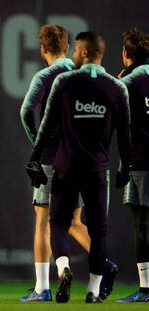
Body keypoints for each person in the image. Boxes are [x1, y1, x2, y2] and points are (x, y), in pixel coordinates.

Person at [27, 31, 131, 303]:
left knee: (58, 224)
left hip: (65, 166)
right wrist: (125, 167)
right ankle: (93, 292)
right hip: (97, 170)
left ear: (84, 52)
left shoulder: (64, 81)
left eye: (76, 52)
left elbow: (47, 123)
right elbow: (125, 134)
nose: (72, 56)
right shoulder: (116, 87)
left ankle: (63, 269)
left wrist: (35, 158)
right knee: (99, 230)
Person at [117, 27, 149, 303]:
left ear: (126, 53)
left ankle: (146, 289)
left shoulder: (129, 80)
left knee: (141, 224)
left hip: (141, 161)